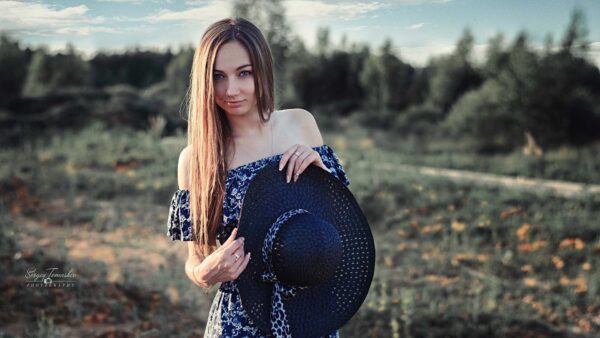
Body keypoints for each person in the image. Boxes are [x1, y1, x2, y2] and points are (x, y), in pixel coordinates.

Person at [166, 17, 351, 337]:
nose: (230, 90)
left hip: (311, 313)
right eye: (217, 77)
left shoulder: (300, 124)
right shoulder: (196, 159)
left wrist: (322, 177)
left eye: (244, 73)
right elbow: (196, 260)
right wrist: (205, 272)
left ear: (262, 71)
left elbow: (343, 230)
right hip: (240, 322)